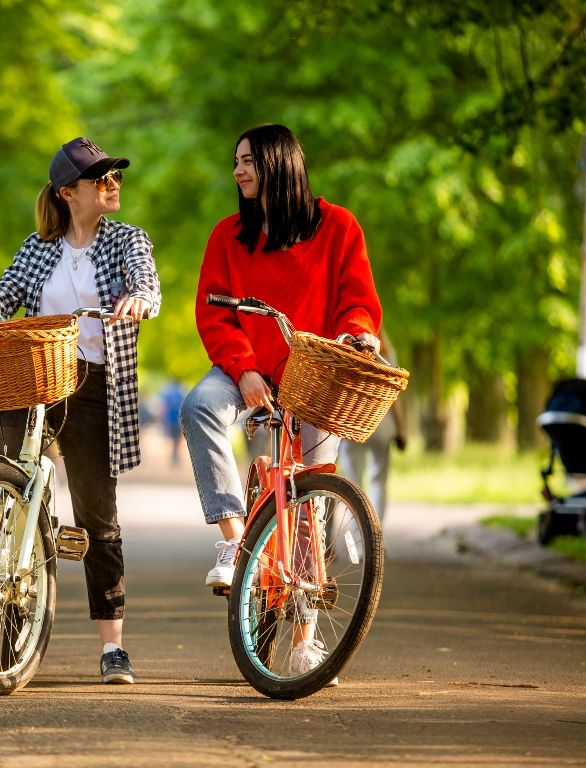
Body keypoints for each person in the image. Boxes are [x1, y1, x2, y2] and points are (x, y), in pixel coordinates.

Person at [0, 136, 161, 685]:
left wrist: (140, 299)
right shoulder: (38, 248)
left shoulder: (127, 240)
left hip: (94, 383)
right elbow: (7, 290)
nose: (113, 184)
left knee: (97, 517)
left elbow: (146, 282)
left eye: (115, 176)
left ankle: (112, 646)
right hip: (36, 374)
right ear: (68, 192)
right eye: (101, 178)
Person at [180, 123, 382, 684]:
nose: (238, 171)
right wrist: (243, 367)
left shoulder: (338, 226)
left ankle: (304, 643)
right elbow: (213, 313)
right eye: (236, 162)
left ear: (278, 163)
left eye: (248, 161)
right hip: (246, 368)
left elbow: (358, 300)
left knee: (310, 500)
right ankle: (236, 544)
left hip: (315, 373)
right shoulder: (227, 236)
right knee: (199, 407)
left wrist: (359, 334)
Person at [338, 329, 407, 531]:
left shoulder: (347, 350)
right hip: (381, 424)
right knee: (379, 481)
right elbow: (394, 398)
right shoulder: (387, 356)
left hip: (353, 423)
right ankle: (377, 533)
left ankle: (359, 537)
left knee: (353, 484)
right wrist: (401, 430)